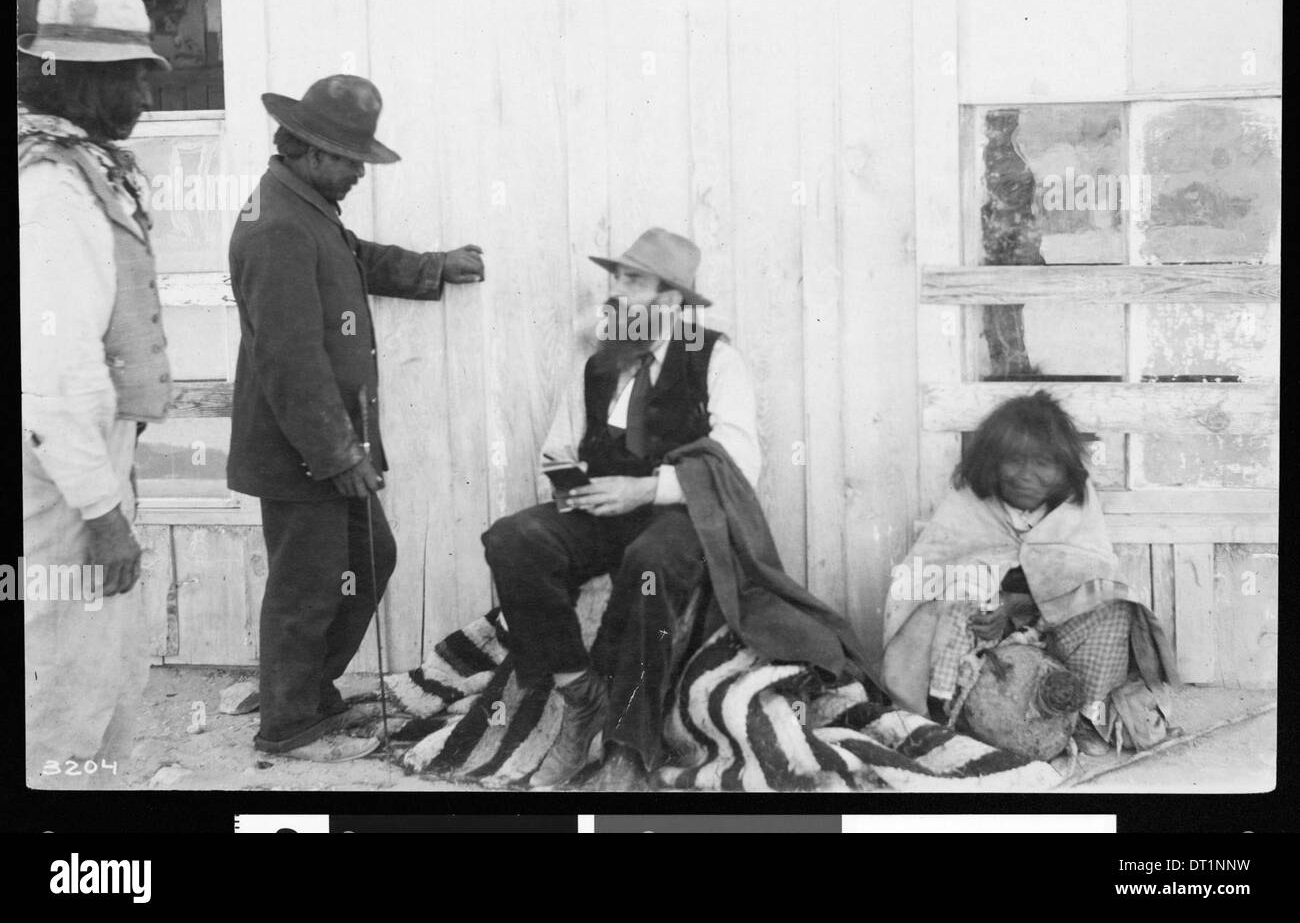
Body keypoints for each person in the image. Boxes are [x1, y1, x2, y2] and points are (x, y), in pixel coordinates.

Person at [482, 228, 872, 790]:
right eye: (614, 277)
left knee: (650, 564)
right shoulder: (598, 363)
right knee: (511, 539)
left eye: (632, 280)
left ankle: (628, 744)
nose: (616, 291)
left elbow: (739, 462)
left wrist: (646, 490)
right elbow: (557, 447)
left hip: (678, 514)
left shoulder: (715, 356)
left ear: (670, 301)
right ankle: (579, 692)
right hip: (601, 508)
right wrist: (572, 485)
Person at [227, 75, 485, 762]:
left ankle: (310, 695)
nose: (358, 175)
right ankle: (286, 725)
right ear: (310, 150)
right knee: (307, 586)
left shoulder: (302, 205)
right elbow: (288, 359)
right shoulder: (277, 225)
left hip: (325, 441)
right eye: (350, 161)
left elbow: (354, 260)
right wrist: (336, 454)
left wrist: (433, 268)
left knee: (369, 562)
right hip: (303, 447)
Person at [20, 0, 173, 788]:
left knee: (107, 668)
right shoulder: (49, 188)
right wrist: (103, 513)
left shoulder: (83, 170)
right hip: (58, 471)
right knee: (64, 679)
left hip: (84, 455)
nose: (146, 96)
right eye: (131, 77)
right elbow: (51, 375)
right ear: (74, 80)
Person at [881, 390, 1178, 756]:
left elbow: (1086, 577)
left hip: (1053, 635)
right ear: (992, 461)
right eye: (1014, 461)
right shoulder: (971, 503)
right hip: (983, 650)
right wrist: (986, 608)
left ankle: (1079, 719)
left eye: (1043, 463)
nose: (1026, 475)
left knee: (1110, 606)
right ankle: (947, 718)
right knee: (957, 594)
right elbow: (929, 574)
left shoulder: (1075, 507)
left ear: (1063, 468)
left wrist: (1018, 606)